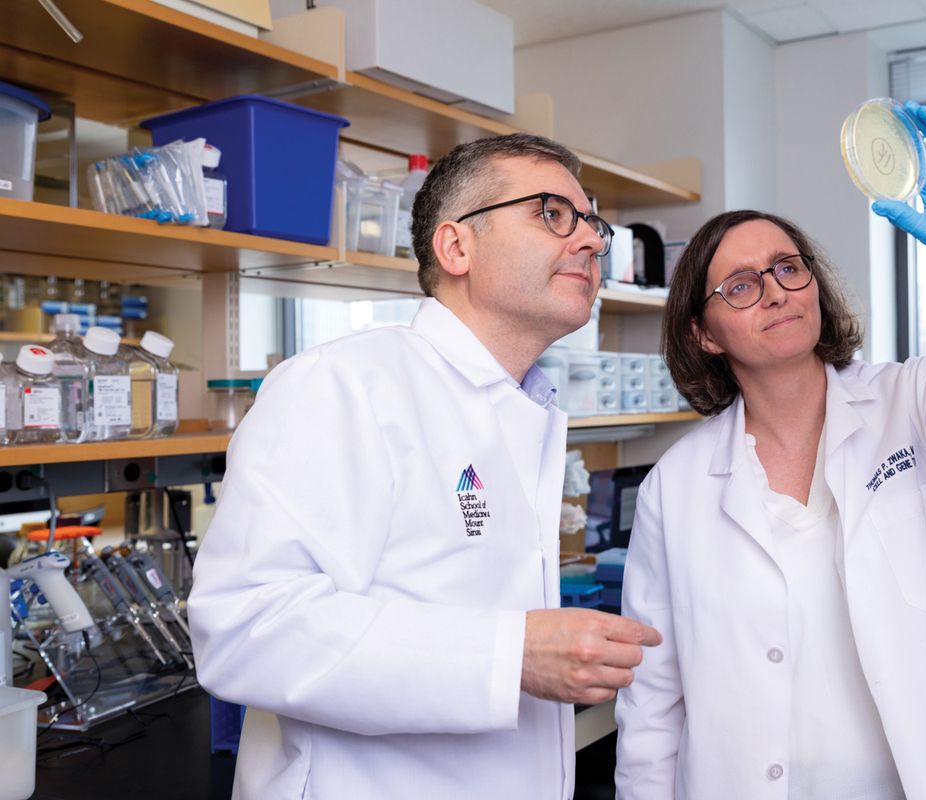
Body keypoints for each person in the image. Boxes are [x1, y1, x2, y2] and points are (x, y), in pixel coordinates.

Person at [614, 100, 926, 799]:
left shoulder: (912, 404)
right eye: (740, 285)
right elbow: (653, 695)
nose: (775, 291)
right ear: (704, 333)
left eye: (788, 267)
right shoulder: (679, 483)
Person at [188, 133, 662, 800]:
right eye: (553, 213)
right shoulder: (343, 386)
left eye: (591, 222)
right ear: (457, 246)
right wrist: (511, 654)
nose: (590, 241)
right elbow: (244, 628)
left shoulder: (527, 407)